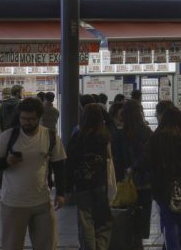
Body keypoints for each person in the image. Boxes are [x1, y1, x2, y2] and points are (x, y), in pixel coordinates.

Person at [0, 96, 66, 250]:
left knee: (47, 245)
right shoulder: (7, 136)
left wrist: (61, 193)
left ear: (39, 117)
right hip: (13, 202)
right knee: (12, 245)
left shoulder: (50, 137)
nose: (26, 122)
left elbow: (60, 166)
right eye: (23, 118)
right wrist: (7, 162)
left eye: (31, 119)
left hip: (42, 202)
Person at [141, 106, 181, 250]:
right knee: (178, 220)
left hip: (162, 185)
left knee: (168, 222)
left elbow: (147, 161)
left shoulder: (156, 138)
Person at [66, 103, 114, 250]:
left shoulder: (78, 136)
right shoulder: (104, 136)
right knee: (103, 220)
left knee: (85, 220)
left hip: (82, 185)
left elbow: (69, 162)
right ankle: (101, 247)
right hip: (101, 184)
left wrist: (68, 185)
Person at [111, 99, 153, 247]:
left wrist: (128, 170)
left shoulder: (121, 133)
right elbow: (150, 155)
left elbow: (117, 157)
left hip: (127, 181)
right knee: (142, 215)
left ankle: (131, 242)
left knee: (127, 214)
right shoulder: (147, 131)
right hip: (145, 181)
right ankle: (139, 241)